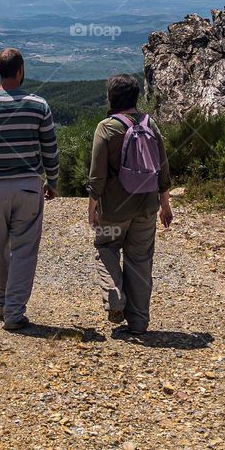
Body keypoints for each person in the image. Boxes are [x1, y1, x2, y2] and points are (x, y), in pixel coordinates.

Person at [0, 48, 59, 331]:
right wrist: (52, 181)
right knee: (24, 250)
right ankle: (14, 312)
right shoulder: (38, 105)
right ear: (20, 70)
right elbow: (50, 149)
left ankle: (1, 303)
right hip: (29, 185)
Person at [87, 74, 172, 335]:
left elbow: (97, 175)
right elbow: (163, 168)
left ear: (111, 97)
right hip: (146, 208)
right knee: (140, 260)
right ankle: (138, 322)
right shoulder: (151, 125)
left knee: (105, 247)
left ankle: (114, 297)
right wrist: (165, 204)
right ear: (136, 96)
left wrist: (93, 206)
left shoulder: (106, 128)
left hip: (114, 211)